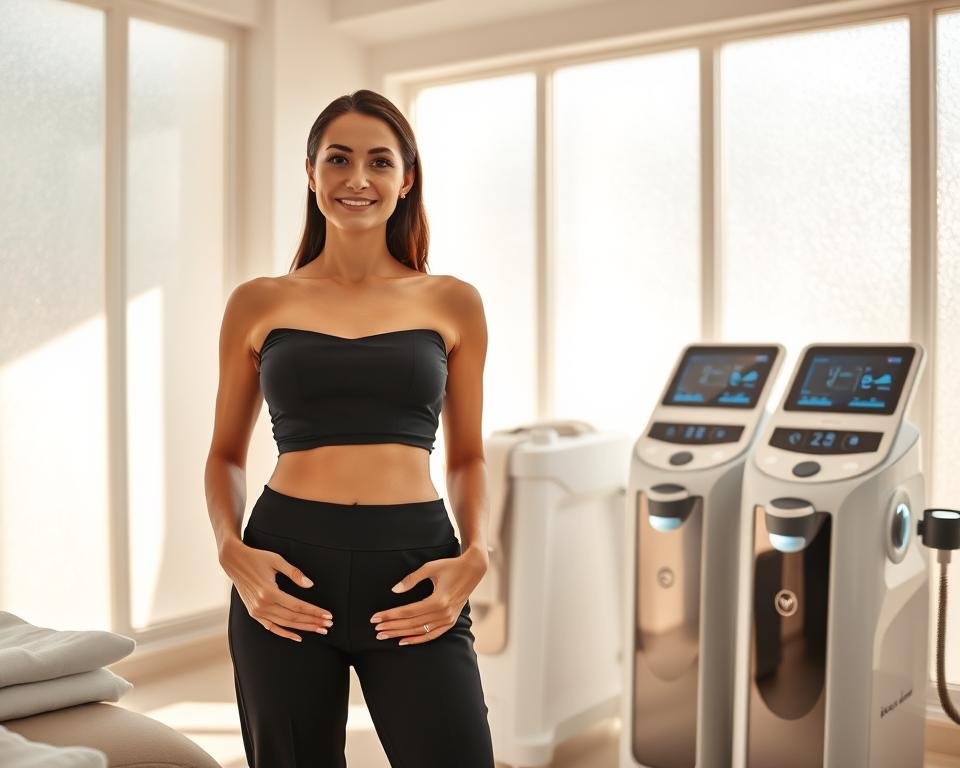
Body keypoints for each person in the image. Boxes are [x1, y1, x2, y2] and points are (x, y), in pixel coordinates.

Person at [204, 89, 495, 767]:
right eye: (338, 159)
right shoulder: (258, 301)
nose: (357, 178)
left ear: (406, 179)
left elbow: (468, 458)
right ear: (311, 173)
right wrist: (230, 549)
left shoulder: (453, 302)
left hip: (414, 563)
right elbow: (224, 455)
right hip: (286, 566)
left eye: (379, 161)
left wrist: (477, 552)